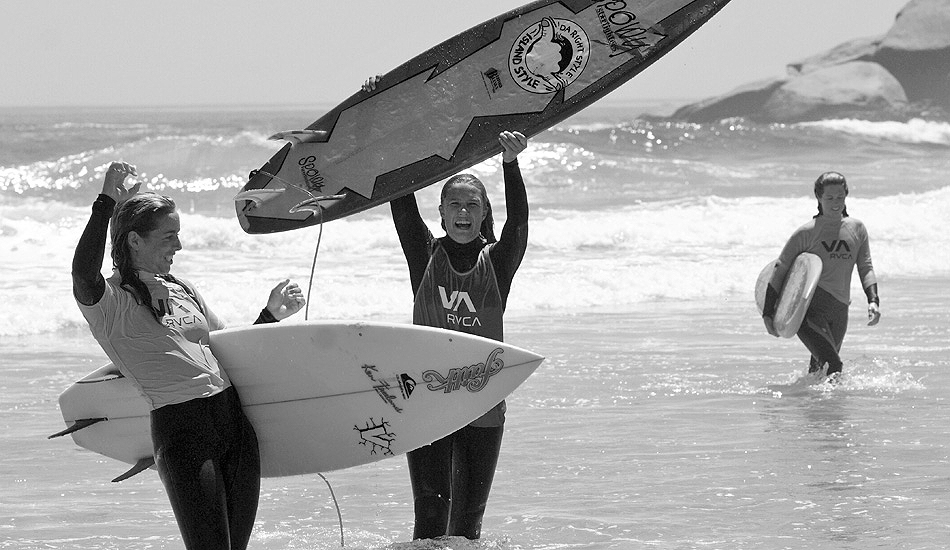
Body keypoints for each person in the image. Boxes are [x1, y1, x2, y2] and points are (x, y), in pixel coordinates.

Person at [71, 161, 306, 550]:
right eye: (168, 236)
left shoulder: (182, 288)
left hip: (234, 424)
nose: (178, 246)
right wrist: (106, 203)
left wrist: (270, 316)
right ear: (134, 241)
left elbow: (227, 347)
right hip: (184, 434)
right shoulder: (110, 303)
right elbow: (83, 272)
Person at [362, 76, 530, 539]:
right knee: (430, 526)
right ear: (440, 213)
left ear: (481, 213)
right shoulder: (424, 255)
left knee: (467, 528)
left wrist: (510, 164)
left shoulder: (497, 262)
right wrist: (386, 112)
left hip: (483, 399)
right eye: (452, 203)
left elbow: (519, 222)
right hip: (428, 400)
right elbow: (399, 199)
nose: (461, 211)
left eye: (470, 204)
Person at [762, 171, 881, 380]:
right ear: (818, 198)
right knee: (833, 365)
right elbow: (780, 269)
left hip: (840, 310)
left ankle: (816, 411)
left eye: (840, 197)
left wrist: (873, 301)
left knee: (819, 372)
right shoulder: (806, 233)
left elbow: (865, 266)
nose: (836, 203)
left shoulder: (857, 229)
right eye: (830, 198)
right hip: (809, 311)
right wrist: (768, 313)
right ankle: (827, 409)